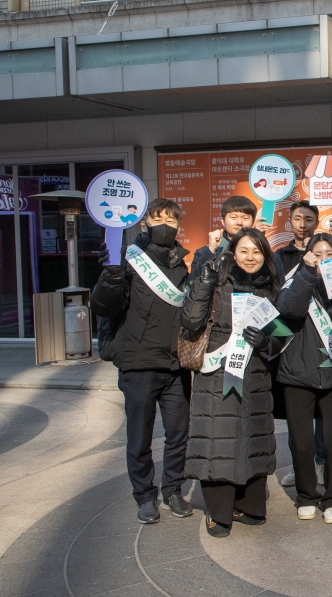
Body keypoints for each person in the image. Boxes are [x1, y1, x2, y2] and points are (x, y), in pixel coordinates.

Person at [90, 198, 193, 524]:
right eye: (158, 219)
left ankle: (173, 490)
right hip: (138, 363)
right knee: (139, 437)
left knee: (179, 434)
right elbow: (103, 306)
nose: (165, 226)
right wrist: (110, 277)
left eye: (171, 221)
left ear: (179, 225)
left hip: (175, 365)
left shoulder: (181, 263)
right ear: (144, 222)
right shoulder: (127, 259)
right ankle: (145, 496)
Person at [180, 229, 284, 538]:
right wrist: (204, 280)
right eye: (244, 250)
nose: (250, 257)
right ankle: (220, 513)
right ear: (232, 252)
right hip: (216, 372)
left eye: (257, 251)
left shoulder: (270, 288)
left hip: (255, 373)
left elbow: (280, 336)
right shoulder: (216, 281)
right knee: (218, 438)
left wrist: (266, 342)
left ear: (265, 256)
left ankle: (250, 506)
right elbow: (191, 319)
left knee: (254, 437)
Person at [275, 233, 332, 524]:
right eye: (316, 254)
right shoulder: (294, 281)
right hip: (297, 372)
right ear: (307, 256)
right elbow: (289, 309)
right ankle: (306, 496)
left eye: (329, 254)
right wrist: (307, 273)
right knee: (301, 442)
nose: (323, 259)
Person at [275, 200, 332, 489]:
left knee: (325, 418)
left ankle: (322, 464)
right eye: (298, 218)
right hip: (294, 343)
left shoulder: (331, 257)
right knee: (297, 419)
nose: (303, 223)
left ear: (316, 222)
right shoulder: (281, 257)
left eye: (309, 218)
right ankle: (301, 467)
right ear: (290, 221)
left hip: (327, 345)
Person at [190, 196, 260, 278]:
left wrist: (258, 238)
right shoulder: (204, 252)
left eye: (245, 218)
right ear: (223, 221)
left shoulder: (261, 251)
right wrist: (210, 251)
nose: (239, 222)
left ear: (253, 221)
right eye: (233, 217)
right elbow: (193, 282)